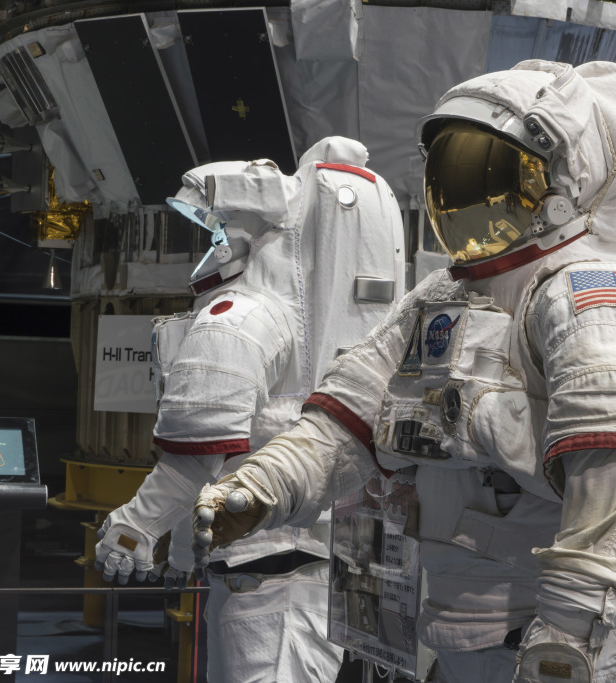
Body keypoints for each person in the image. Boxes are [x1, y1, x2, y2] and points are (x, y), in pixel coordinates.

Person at [192, 55, 616, 682]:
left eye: (491, 173)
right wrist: (262, 488)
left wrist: (570, 622)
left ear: (562, 183)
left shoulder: (599, 292)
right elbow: (349, 416)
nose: (468, 196)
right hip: (459, 617)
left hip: (566, 640)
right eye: (452, 173)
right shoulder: (442, 297)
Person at [94, 138, 405, 682]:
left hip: (262, 567)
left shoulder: (243, 317)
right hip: (328, 565)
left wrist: (135, 526)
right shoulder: (348, 327)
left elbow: (199, 452)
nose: (215, 240)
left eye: (218, 226)